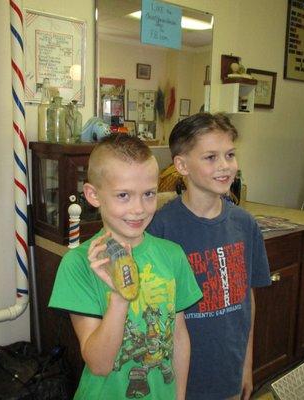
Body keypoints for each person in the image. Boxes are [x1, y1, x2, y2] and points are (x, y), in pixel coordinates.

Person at [49, 134, 202, 400]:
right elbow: (99, 364)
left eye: (148, 194)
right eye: (123, 195)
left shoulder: (172, 255)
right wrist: (120, 297)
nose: (139, 209)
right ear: (93, 195)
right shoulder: (77, 265)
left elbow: (178, 337)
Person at [147, 113, 271, 400]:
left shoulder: (245, 224)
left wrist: (247, 365)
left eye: (229, 154)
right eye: (211, 157)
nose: (225, 166)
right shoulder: (160, 228)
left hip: (228, 370)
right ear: (181, 165)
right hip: (176, 378)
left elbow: (246, 301)